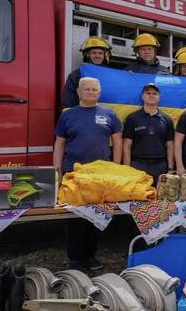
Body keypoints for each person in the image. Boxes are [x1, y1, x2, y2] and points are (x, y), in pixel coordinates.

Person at [53, 77, 122, 271]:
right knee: (74, 216)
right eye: (87, 89)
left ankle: (91, 256)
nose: (91, 92)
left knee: (97, 216)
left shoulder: (110, 114)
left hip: (100, 174)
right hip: (73, 173)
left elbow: (117, 143)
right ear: (79, 91)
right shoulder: (67, 115)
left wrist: (115, 169)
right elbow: (59, 144)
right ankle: (75, 259)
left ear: (99, 92)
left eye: (95, 89)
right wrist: (57, 170)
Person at [122, 83, 175, 185]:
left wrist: (170, 168)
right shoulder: (132, 118)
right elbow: (126, 146)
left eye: (154, 93)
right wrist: (127, 168)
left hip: (161, 167)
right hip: (137, 166)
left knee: (162, 198)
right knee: (137, 198)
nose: (151, 95)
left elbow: (170, 146)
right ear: (142, 96)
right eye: (148, 93)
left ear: (159, 97)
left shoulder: (167, 119)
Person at [61, 36, 112, 109]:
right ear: (88, 55)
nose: (97, 56)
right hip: (82, 113)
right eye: (93, 53)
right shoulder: (77, 74)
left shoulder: (110, 74)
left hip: (103, 116)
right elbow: (68, 98)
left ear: (105, 56)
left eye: (100, 53)